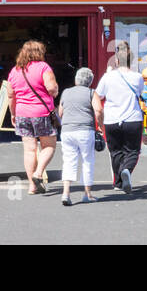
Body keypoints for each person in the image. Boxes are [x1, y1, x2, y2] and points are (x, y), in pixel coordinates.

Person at [6, 40, 59, 195]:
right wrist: (55, 91)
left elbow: (10, 95)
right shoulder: (44, 67)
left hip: (22, 113)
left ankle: (32, 186)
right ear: (40, 52)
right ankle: (38, 173)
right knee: (49, 146)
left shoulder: (15, 70)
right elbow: (51, 88)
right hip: (42, 112)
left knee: (29, 150)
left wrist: (13, 113)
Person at [94, 41, 145, 194]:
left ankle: (118, 182)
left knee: (115, 151)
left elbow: (98, 95)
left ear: (116, 61)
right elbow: (140, 94)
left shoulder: (107, 77)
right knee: (133, 150)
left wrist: (99, 117)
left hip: (112, 119)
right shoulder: (138, 77)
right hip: (132, 118)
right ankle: (127, 170)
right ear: (132, 61)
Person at [58, 67, 98, 206]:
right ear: (90, 81)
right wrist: (99, 124)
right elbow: (98, 109)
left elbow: (60, 112)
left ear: (76, 79)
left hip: (67, 130)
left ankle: (66, 193)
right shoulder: (91, 93)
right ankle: (87, 194)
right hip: (85, 130)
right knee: (87, 160)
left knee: (68, 161)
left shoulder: (66, 92)